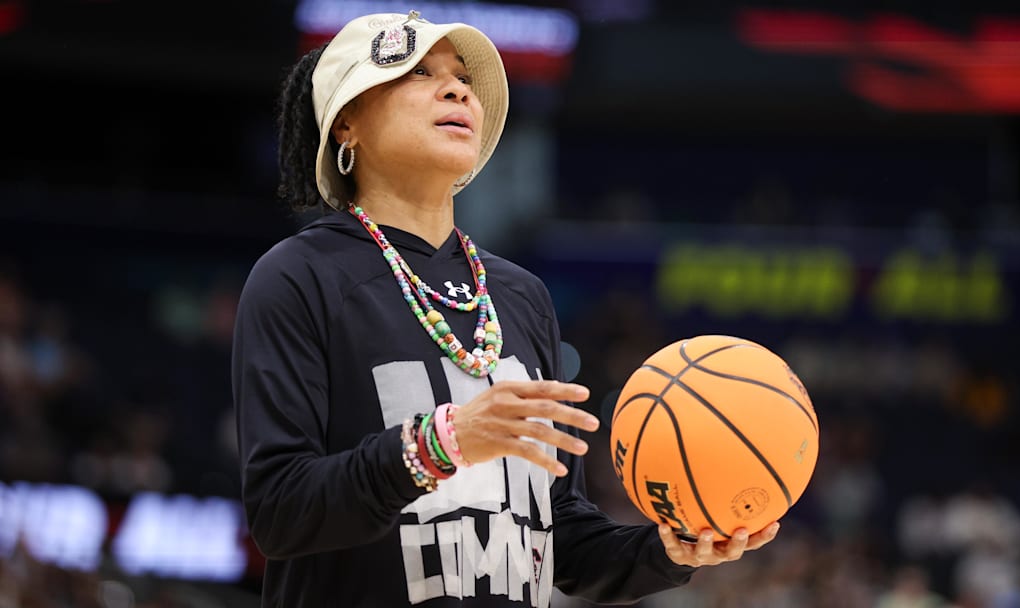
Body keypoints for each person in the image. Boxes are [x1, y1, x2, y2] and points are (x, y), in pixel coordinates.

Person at [233, 11, 780, 607]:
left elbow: (557, 533)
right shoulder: (297, 277)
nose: (457, 88)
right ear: (346, 124)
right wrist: (441, 444)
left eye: (463, 78)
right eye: (417, 73)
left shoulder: (521, 296)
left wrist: (666, 550)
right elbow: (280, 512)